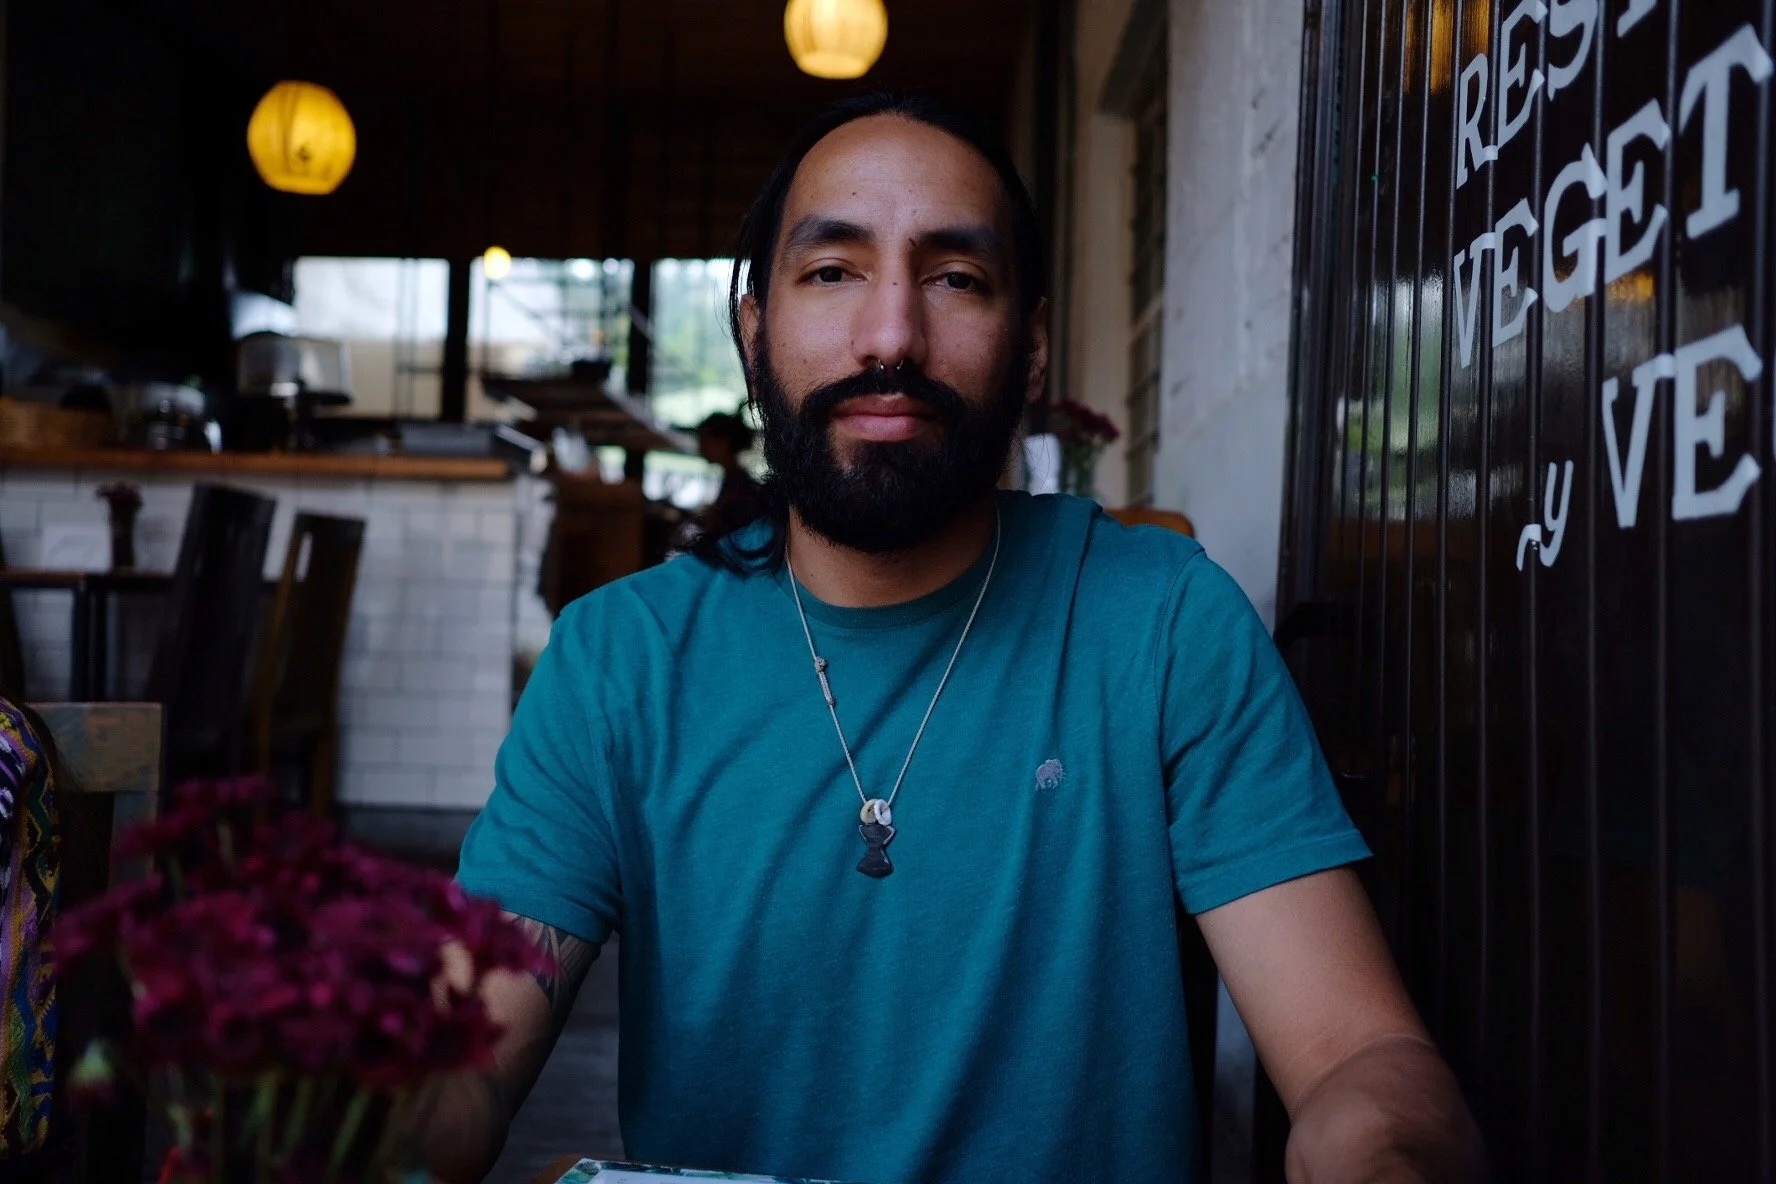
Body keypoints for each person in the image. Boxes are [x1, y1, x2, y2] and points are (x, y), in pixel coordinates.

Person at [428, 92, 1483, 1183]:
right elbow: (458, 1061)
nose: (891, 335)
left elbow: (1358, 1051)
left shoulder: (1159, 620)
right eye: (832, 271)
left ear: (1029, 349)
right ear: (755, 332)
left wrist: (1381, 1147)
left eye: (956, 277)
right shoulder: (620, 661)